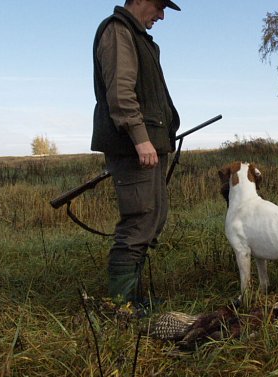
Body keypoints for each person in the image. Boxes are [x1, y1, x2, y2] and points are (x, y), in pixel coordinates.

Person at [91, 0, 181, 308]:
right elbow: (121, 93)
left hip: (150, 145)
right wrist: (141, 139)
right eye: (158, 6)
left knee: (153, 219)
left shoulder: (138, 36)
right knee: (138, 221)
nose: (161, 15)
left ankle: (133, 298)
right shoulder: (118, 31)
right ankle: (121, 305)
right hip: (134, 147)